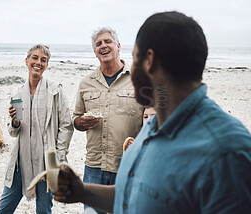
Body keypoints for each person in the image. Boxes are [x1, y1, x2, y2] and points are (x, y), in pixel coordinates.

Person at [54, 11, 251, 213]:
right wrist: (83, 192)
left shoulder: (227, 152)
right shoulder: (150, 128)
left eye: (134, 58)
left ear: (150, 61)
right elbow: (132, 196)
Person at [72, 27, 142, 213]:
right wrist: (81, 122)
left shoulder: (139, 80)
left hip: (128, 165)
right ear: (95, 52)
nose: (103, 46)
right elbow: (75, 119)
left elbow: (150, 121)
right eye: (98, 44)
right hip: (94, 166)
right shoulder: (86, 83)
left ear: (118, 46)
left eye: (107, 41)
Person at [0, 44, 74, 214]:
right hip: (20, 161)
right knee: (4, 209)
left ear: (46, 65)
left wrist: (58, 157)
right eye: (35, 58)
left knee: (43, 210)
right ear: (27, 60)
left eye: (43, 60)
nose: (38, 62)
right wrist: (15, 122)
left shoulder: (55, 91)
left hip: (46, 162)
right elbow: (13, 132)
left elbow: (66, 125)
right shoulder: (18, 93)